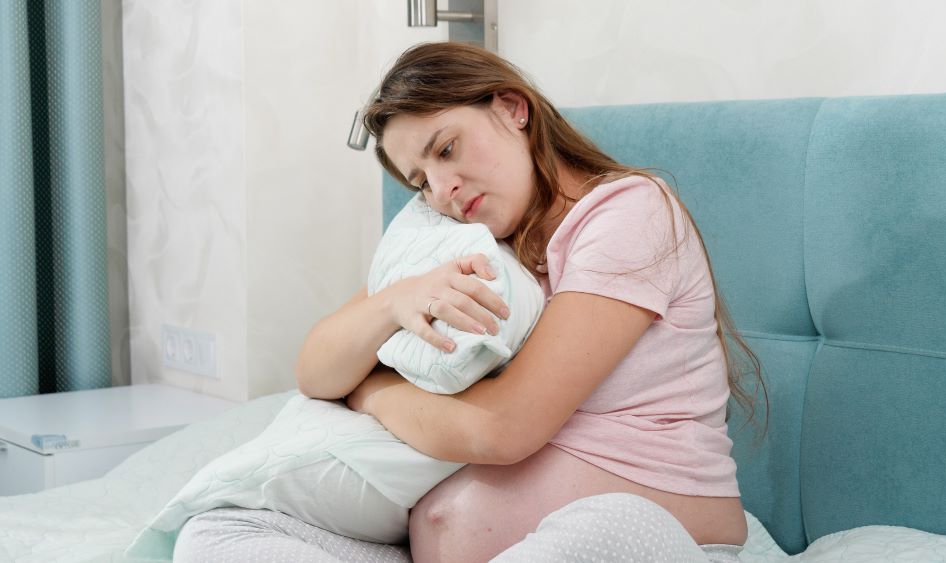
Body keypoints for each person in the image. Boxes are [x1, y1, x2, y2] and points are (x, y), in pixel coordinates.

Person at [174, 42, 765, 563]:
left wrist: (370, 388)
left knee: (603, 529)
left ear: (513, 108)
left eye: (447, 148)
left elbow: (502, 430)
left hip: (649, 541)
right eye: (420, 179)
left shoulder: (627, 213)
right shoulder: (465, 233)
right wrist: (395, 302)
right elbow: (312, 367)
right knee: (216, 537)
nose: (441, 189)